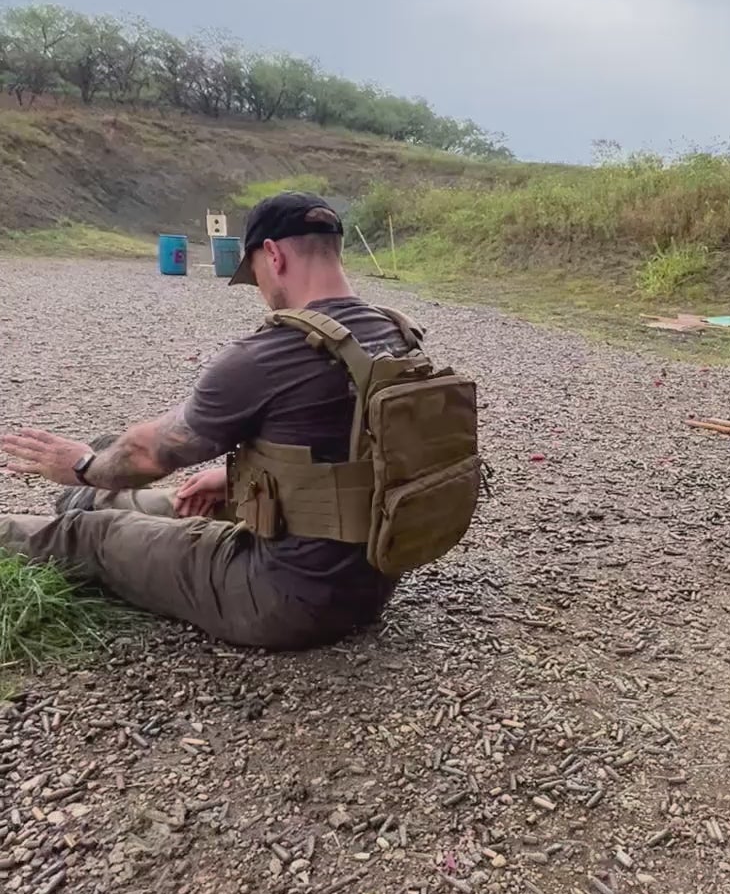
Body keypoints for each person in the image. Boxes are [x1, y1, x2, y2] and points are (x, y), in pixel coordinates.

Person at [0, 193, 464, 650]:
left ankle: (67, 509)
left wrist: (80, 464)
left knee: (91, 535)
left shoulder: (269, 353)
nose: (261, 290)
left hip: (281, 601)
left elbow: (149, 454)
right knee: (176, 498)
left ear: (274, 255)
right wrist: (231, 477)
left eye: (255, 274)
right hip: (369, 583)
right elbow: (366, 452)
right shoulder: (397, 335)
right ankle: (86, 499)